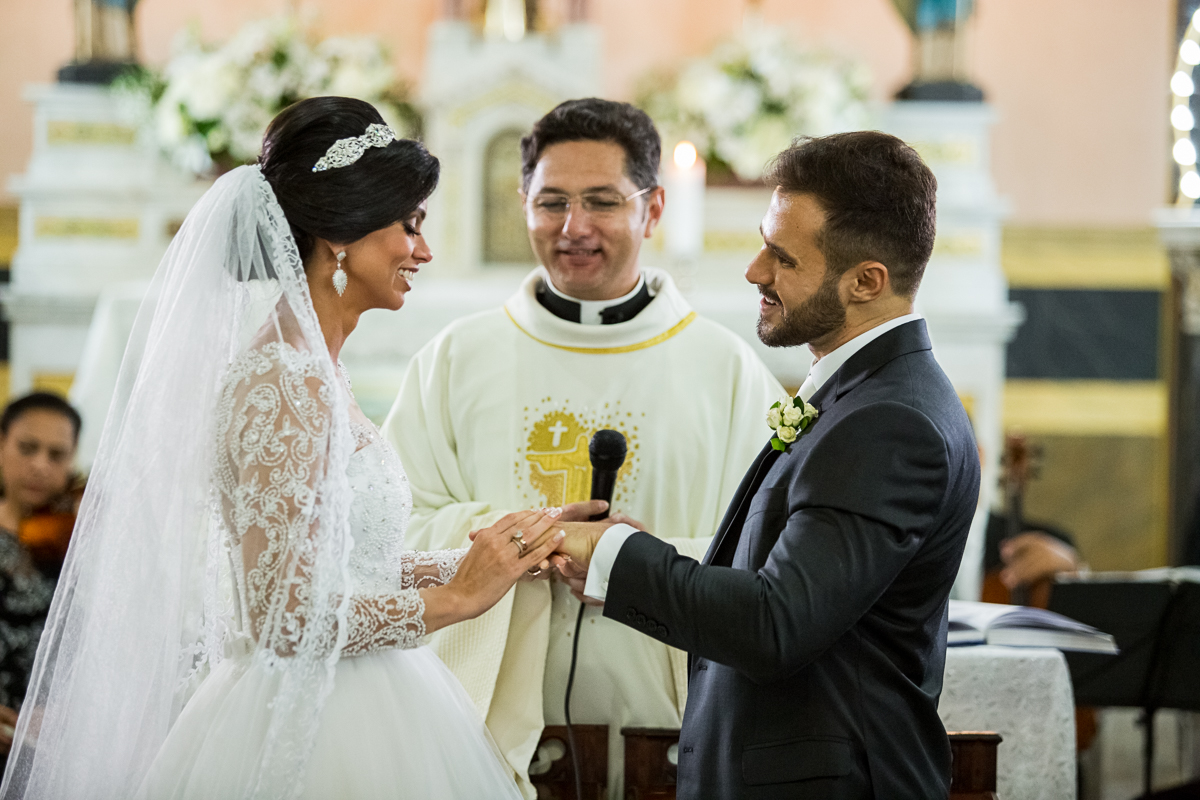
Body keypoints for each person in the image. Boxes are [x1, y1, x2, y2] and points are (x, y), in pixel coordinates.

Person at [0, 97, 565, 799]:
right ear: (340, 237)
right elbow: (284, 618)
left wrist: (504, 552)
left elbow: (343, 565)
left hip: (369, 698)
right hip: (310, 733)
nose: (422, 251)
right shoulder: (280, 381)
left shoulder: (317, 369)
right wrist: (455, 599)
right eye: (409, 226)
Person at [555, 132, 981, 799]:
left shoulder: (890, 423)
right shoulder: (866, 394)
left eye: (781, 256)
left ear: (867, 281)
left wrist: (616, 555)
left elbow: (776, 624)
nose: (755, 270)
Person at [381, 97, 783, 796]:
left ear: (653, 209)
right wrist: (518, 541)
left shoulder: (724, 369)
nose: (574, 229)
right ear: (523, 202)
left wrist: (644, 561)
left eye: (602, 202)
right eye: (551, 203)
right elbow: (388, 528)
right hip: (477, 728)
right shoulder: (457, 357)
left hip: (665, 719)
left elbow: (767, 555)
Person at [0, 393, 82, 762]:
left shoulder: (78, 535)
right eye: (27, 448)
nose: (40, 466)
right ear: (2, 444)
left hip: (54, 745)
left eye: (56, 455)